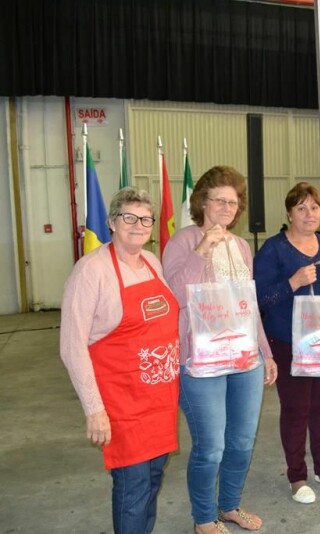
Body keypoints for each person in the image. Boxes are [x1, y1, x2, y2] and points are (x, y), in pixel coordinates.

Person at [162, 166, 278, 534]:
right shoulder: (182, 241)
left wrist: (266, 352)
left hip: (245, 357)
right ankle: (203, 517)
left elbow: (248, 303)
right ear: (202, 202)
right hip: (200, 361)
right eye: (220, 200)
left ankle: (229, 505)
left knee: (242, 441)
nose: (228, 207)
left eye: (234, 202)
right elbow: (174, 297)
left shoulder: (241, 245)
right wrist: (201, 251)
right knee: (210, 446)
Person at [60, 188, 180, 534]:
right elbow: (72, 346)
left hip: (158, 400)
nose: (138, 225)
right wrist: (94, 409)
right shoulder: (91, 271)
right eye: (129, 217)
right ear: (112, 222)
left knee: (154, 477)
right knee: (133, 485)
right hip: (122, 403)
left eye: (145, 219)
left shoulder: (152, 263)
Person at [254, 183, 320, 504]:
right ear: (289, 213)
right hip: (288, 341)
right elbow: (260, 298)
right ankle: (297, 476)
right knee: (297, 409)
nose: (309, 214)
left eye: (314, 207)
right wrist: (293, 282)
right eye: (301, 208)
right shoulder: (273, 249)